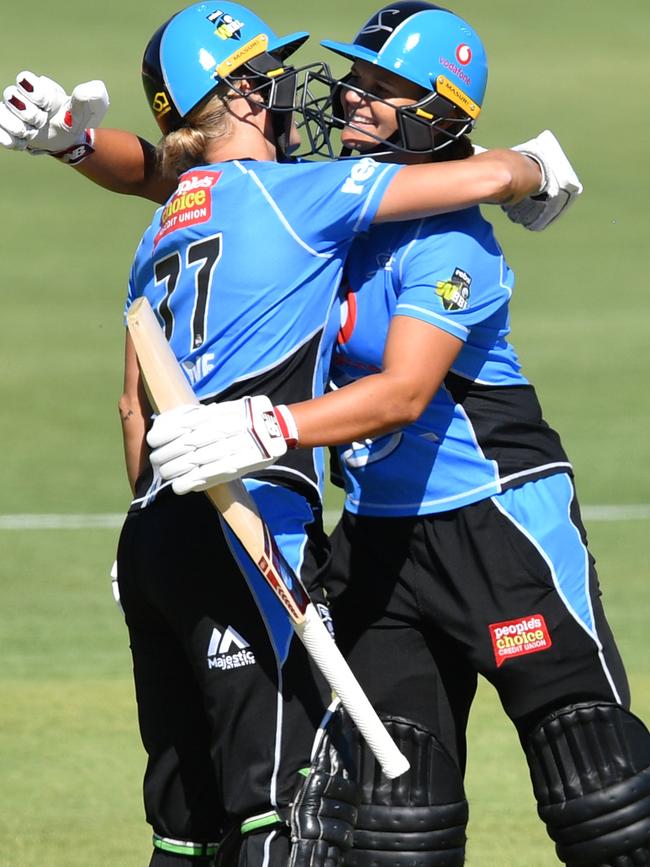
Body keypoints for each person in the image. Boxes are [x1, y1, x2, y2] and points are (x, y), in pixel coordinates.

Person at [0, 4, 555, 866]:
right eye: (266, 72)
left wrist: (74, 143)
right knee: (279, 809)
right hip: (254, 529)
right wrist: (532, 167)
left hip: (154, 532)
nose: (291, 90)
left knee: (182, 827)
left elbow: (131, 407)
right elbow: (472, 183)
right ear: (244, 91)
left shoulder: (156, 236)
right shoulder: (304, 195)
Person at [133, 4, 650, 867]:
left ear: (440, 112)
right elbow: (189, 172)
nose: (352, 100)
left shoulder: (453, 243)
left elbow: (404, 393)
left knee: (601, 791)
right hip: (380, 547)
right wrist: (72, 147)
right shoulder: (319, 204)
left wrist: (267, 424)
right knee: (390, 821)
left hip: (498, 525)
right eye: (357, 81)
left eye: (383, 89)